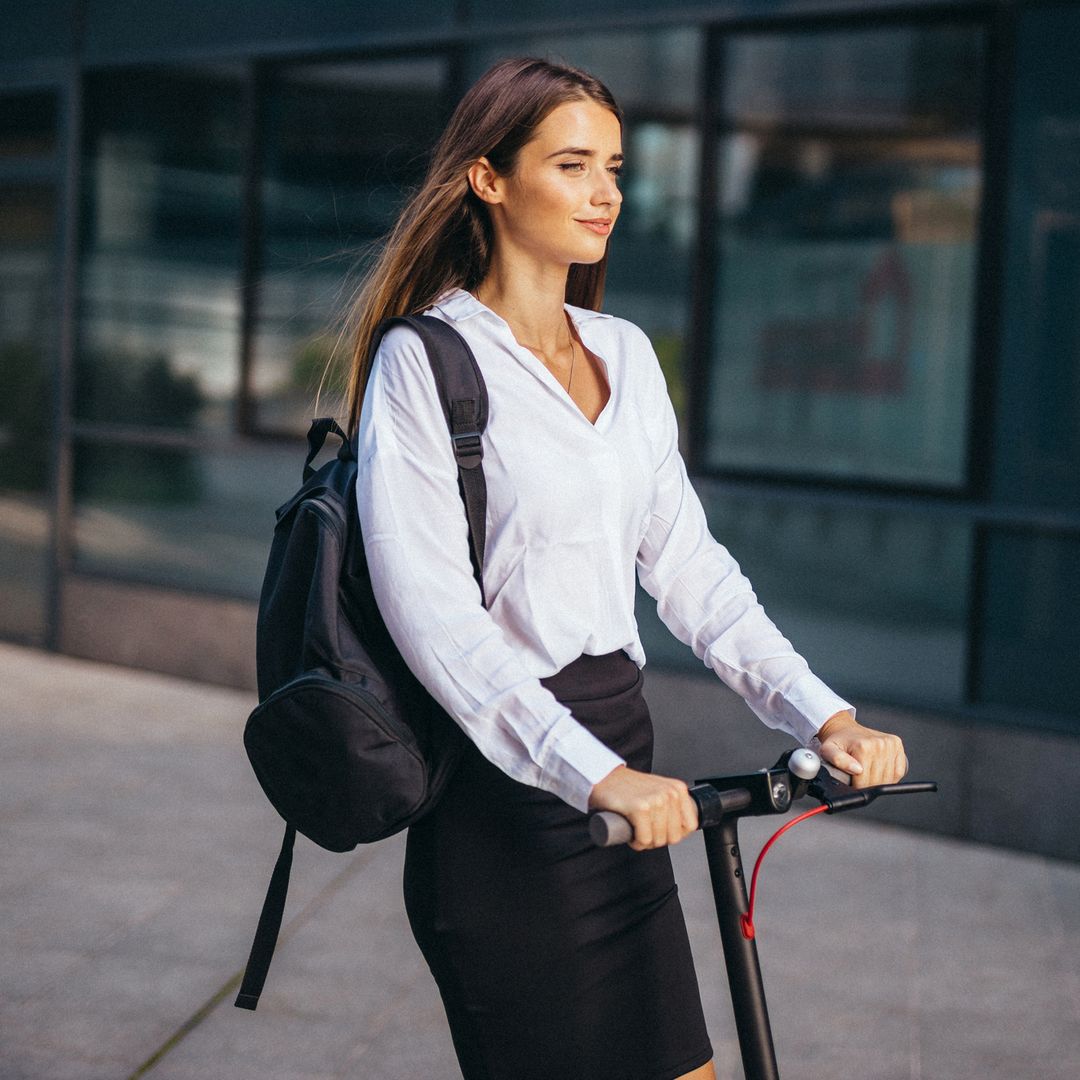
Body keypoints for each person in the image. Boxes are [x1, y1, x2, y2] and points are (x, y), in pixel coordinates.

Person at [345, 56, 908, 1080]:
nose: (606, 191)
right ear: (489, 179)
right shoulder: (423, 361)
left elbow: (691, 571)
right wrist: (593, 777)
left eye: (613, 164)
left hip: (625, 779)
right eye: (572, 164)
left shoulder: (627, 353)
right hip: (508, 794)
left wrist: (823, 717)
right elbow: (433, 618)